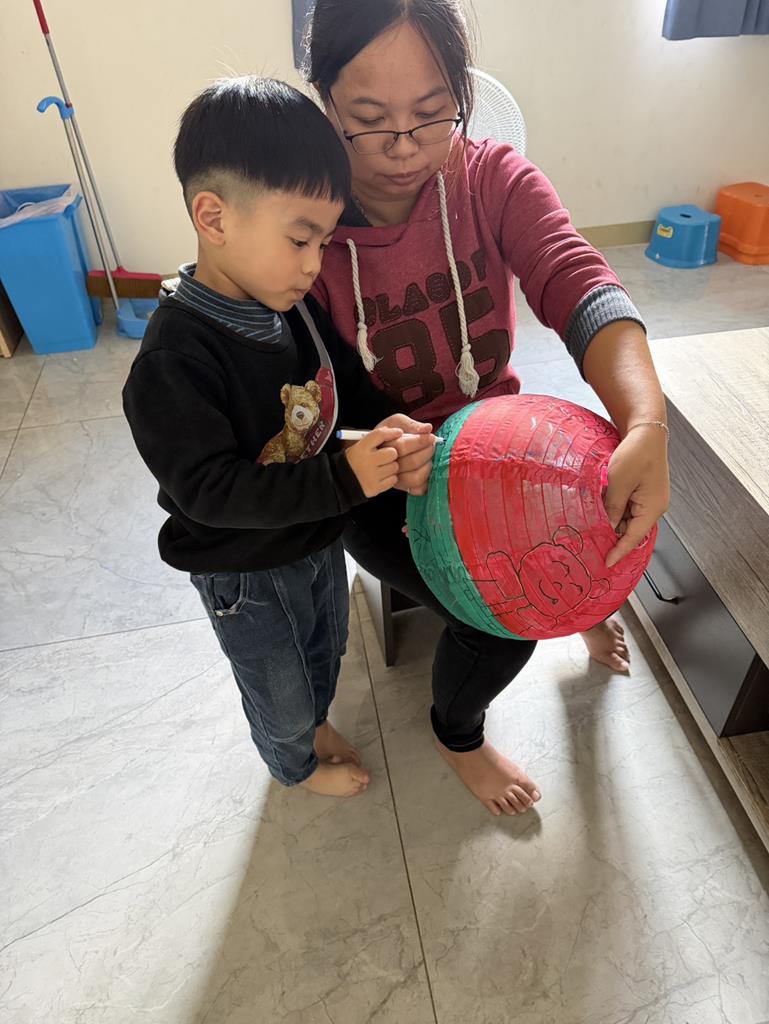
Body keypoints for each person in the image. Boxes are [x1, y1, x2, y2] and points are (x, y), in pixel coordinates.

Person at [305, 0, 671, 816]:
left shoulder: (489, 179)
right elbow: (304, 406)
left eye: (432, 113)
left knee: (606, 522)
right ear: (323, 100)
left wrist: (646, 422)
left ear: (463, 96)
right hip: (379, 478)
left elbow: (576, 279)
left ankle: (579, 607)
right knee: (503, 623)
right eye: (369, 119)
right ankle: (457, 734)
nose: (405, 148)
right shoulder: (303, 224)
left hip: (497, 440)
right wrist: (374, 458)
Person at [122, 76, 436, 798]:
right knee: (277, 686)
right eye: (299, 239)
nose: (312, 263)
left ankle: (312, 723)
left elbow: (339, 382)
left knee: (325, 650)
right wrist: (343, 479)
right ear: (213, 216)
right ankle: (292, 763)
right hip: (244, 570)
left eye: (322, 241)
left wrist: (380, 424)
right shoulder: (173, 363)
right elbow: (210, 492)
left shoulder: (286, 306)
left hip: (313, 535)